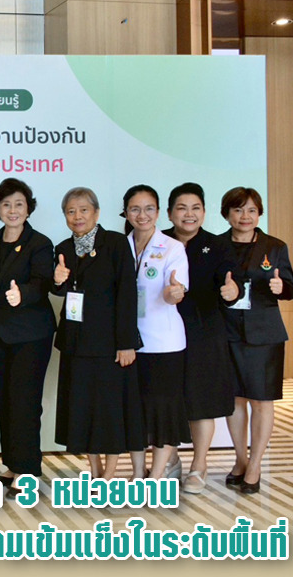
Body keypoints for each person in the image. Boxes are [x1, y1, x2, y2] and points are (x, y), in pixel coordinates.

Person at [52, 187, 143, 480]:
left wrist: (126, 343)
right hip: (76, 343)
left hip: (109, 344)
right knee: (83, 409)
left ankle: (109, 475)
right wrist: (57, 280)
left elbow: (127, 294)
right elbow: (60, 291)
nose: (77, 216)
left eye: (83, 210)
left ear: (97, 212)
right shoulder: (63, 248)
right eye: (71, 211)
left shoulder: (115, 243)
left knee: (108, 411)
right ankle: (94, 469)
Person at [164, 182, 241, 494]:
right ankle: (169, 461)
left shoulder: (217, 245)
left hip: (204, 333)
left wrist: (233, 292)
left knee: (202, 402)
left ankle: (199, 465)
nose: (189, 214)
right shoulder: (158, 241)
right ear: (169, 213)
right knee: (165, 399)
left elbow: (232, 280)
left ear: (204, 213)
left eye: (195, 208)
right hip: (163, 333)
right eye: (181, 208)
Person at [220, 187, 293, 495]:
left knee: (262, 401)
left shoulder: (274, 246)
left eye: (252, 210)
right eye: (238, 210)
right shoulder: (216, 246)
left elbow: (291, 287)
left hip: (264, 335)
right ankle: (241, 460)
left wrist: (281, 287)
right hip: (226, 332)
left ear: (259, 214)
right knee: (234, 400)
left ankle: (255, 465)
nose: (245, 216)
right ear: (227, 214)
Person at [0, 178, 56, 496]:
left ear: (28, 208)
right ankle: (12, 465)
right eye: (6, 204)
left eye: (19, 204)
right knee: (4, 400)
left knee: (25, 403)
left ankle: (29, 471)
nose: (12, 210)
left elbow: (42, 283)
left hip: (30, 335)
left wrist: (22, 294)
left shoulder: (39, 243)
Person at [122, 185, 191, 480]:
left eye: (149, 208)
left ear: (159, 212)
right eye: (135, 209)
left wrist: (174, 293)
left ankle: (158, 474)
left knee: (164, 412)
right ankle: (138, 472)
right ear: (126, 213)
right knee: (134, 411)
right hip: (128, 343)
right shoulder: (119, 246)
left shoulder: (172, 247)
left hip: (164, 344)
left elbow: (175, 289)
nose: (143, 215)